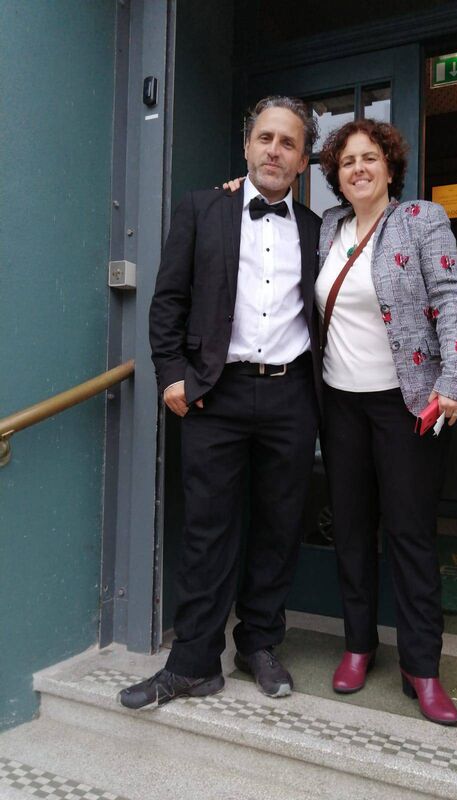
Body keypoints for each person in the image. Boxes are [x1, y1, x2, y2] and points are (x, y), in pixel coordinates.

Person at [118, 96, 322, 710]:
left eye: (288, 143)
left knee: (279, 526)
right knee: (208, 531)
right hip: (215, 393)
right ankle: (192, 663)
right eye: (265, 138)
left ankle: (258, 643)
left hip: (290, 393)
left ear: (303, 159)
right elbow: (168, 301)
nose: (274, 151)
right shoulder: (202, 208)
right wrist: (171, 374)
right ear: (247, 146)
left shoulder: (320, 229)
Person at [315, 119, 457, 726]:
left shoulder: (420, 220)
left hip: (404, 403)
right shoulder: (327, 228)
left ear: (389, 166)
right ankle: (359, 645)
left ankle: (423, 666)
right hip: (339, 404)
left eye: (369, 158)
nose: (358, 168)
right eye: (347, 161)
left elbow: (450, 298)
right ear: (336, 174)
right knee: (352, 531)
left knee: (410, 535)